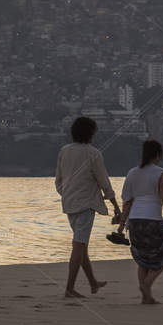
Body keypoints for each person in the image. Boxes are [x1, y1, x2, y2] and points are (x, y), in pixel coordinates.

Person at [55, 116, 119, 300]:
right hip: (86, 204)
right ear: (90, 133)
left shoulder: (64, 151)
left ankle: (92, 283)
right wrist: (115, 205)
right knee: (78, 245)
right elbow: (103, 181)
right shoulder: (93, 153)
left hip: (69, 203)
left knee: (81, 244)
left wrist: (67, 194)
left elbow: (59, 181)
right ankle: (69, 289)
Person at [117, 138, 163, 304]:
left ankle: (146, 297)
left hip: (134, 221)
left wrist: (122, 224)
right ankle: (146, 285)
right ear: (157, 155)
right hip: (153, 220)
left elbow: (127, 201)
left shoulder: (132, 172)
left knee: (143, 259)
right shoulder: (159, 172)